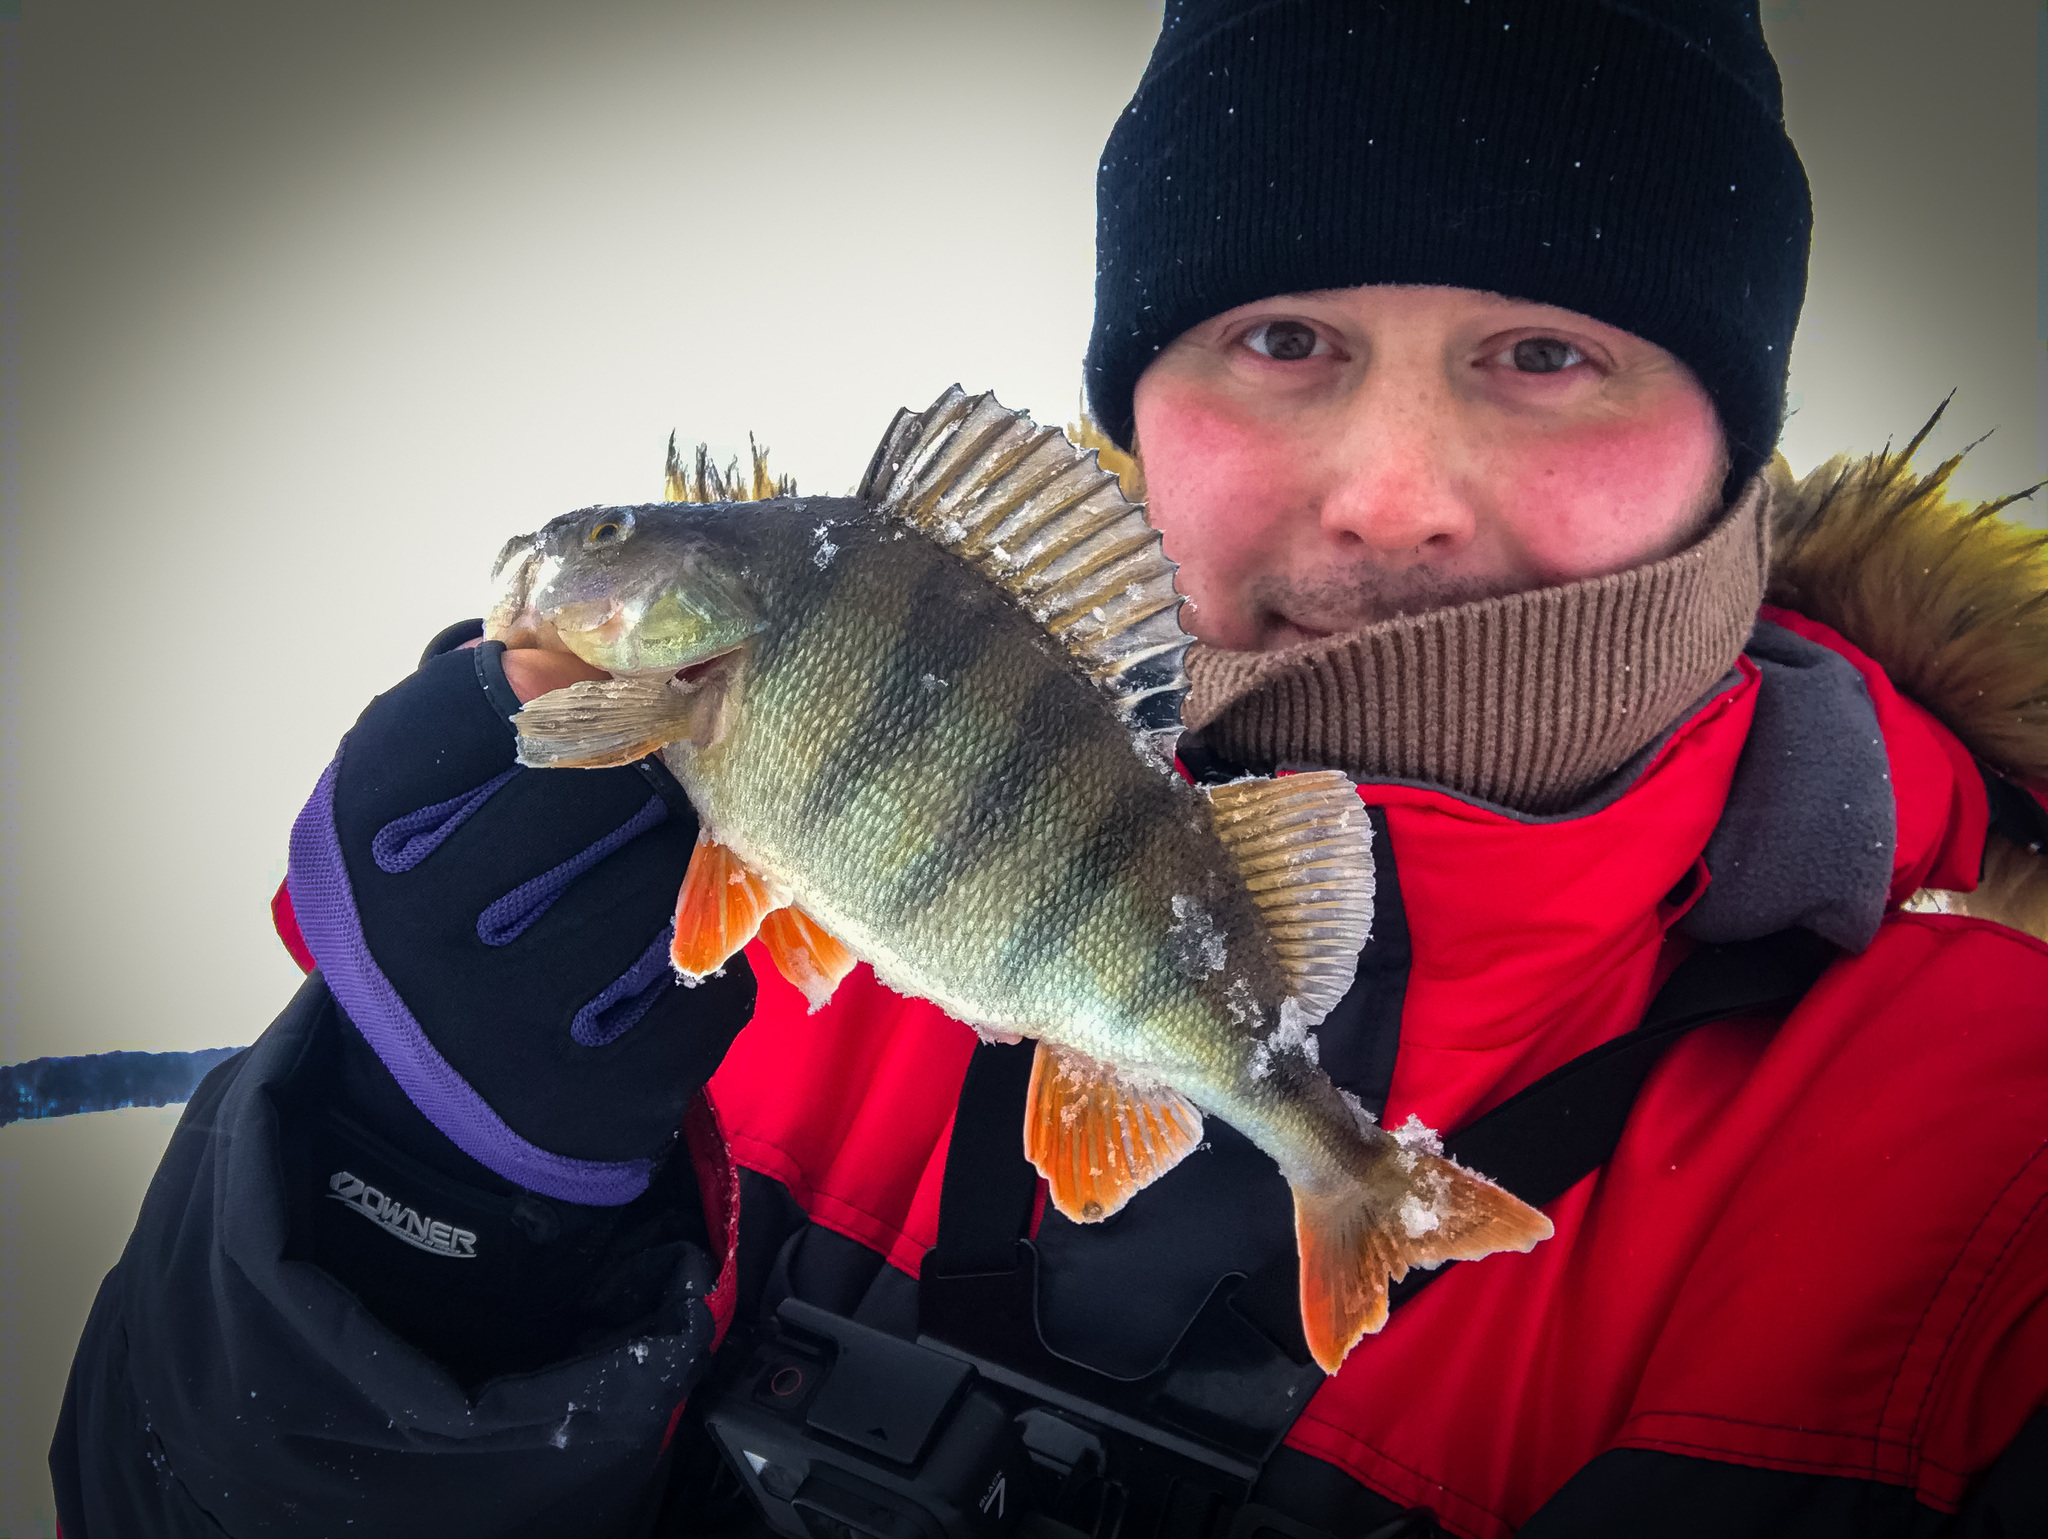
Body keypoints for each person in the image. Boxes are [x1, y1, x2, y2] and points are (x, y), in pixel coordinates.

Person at [52, 1, 2048, 1534]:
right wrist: (413, 1196)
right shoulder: (703, 907)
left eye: (1545, 353)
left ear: (1735, 441)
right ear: (1140, 404)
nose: (1389, 489)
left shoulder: (1999, 1143)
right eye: (1279, 336)